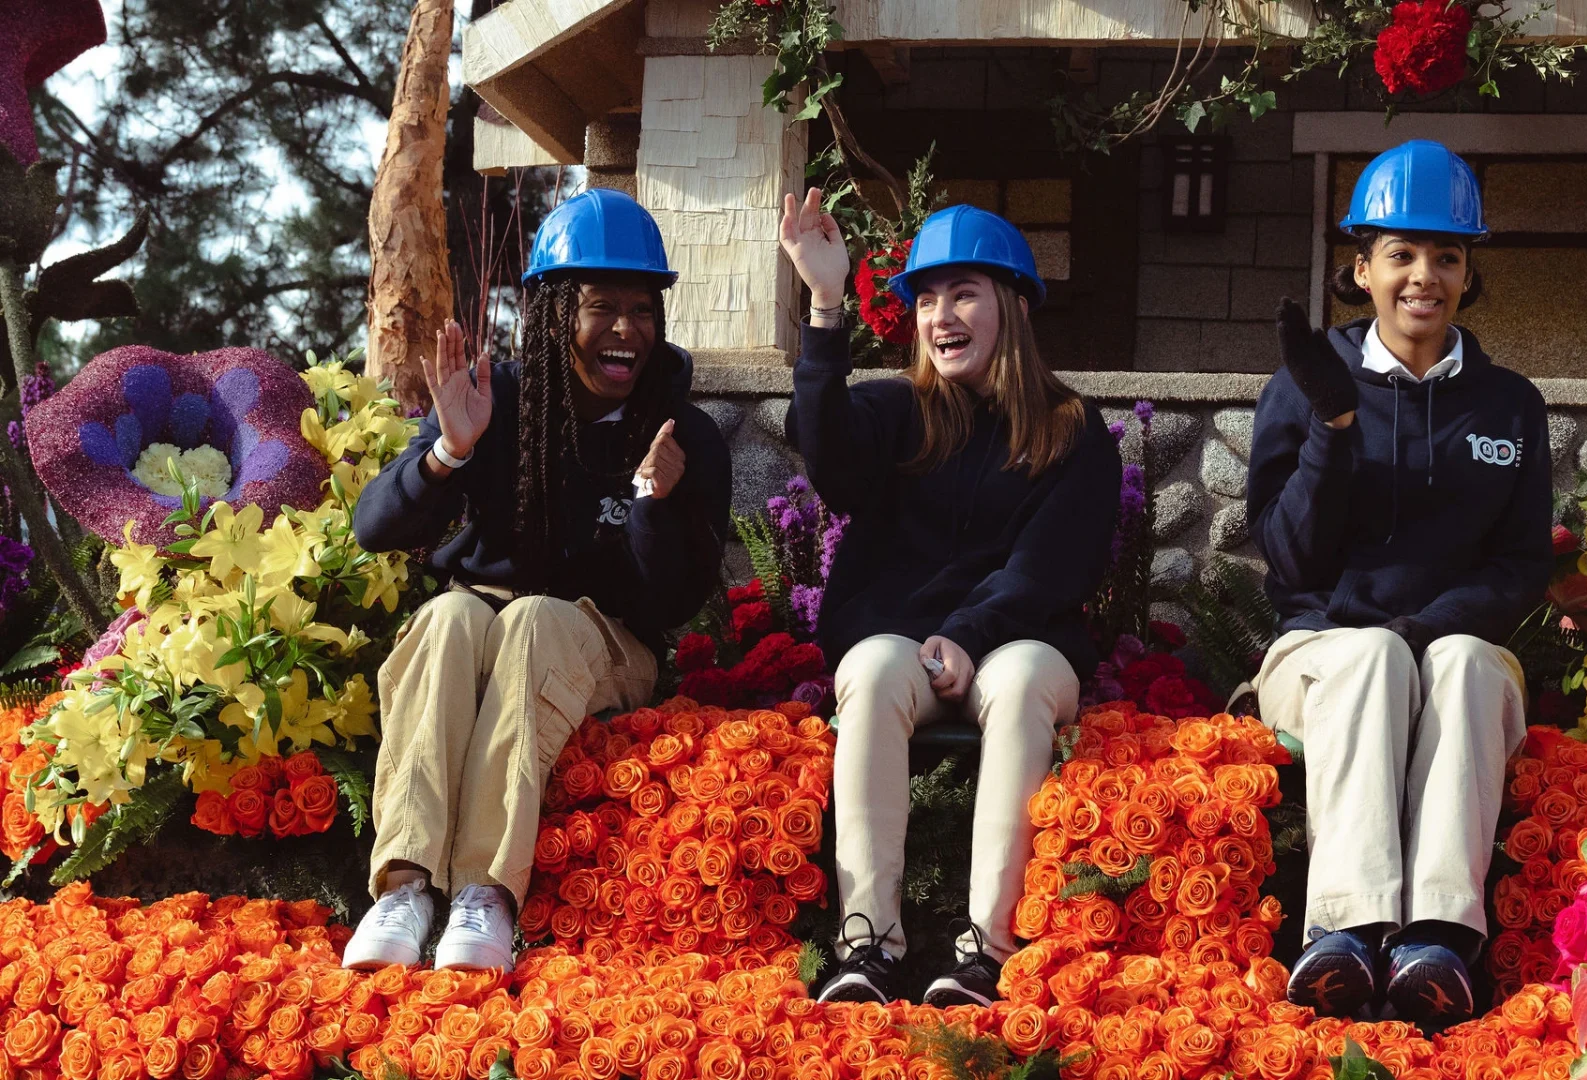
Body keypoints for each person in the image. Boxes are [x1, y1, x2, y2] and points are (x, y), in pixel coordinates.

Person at [340, 189, 732, 972]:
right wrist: (448, 450)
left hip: (608, 645)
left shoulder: (681, 435)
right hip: (483, 622)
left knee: (533, 623)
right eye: (602, 307)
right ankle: (404, 889)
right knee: (450, 620)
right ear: (555, 313)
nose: (627, 329)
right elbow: (375, 529)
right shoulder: (498, 399)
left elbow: (672, 604)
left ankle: (487, 893)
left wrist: (653, 502)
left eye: (643, 309)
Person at [778, 194, 1121, 1006]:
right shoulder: (896, 411)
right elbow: (824, 452)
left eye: (962, 292)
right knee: (872, 663)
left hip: (1019, 641)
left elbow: (1049, 570)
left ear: (1013, 303)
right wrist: (827, 306)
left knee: (1025, 673)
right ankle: (869, 944)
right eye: (925, 298)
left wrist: (969, 635)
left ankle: (989, 951)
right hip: (906, 646)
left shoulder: (1075, 430)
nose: (940, 315)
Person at [1246, 140, 1550, 1025]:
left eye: (1446, 255)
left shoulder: (1510, 406)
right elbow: (1291, 562)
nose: (1425, 275)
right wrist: (1334, 425)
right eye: (1402, 254)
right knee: (1374, 654)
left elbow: (1522, 563)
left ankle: (1439, 944)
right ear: (1362, 268)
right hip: (1322, 654)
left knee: (1457, 661)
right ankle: (1342, 935)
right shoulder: (1305, 383)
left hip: (1453, 656)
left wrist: (1433, 627)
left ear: (1467, 272)